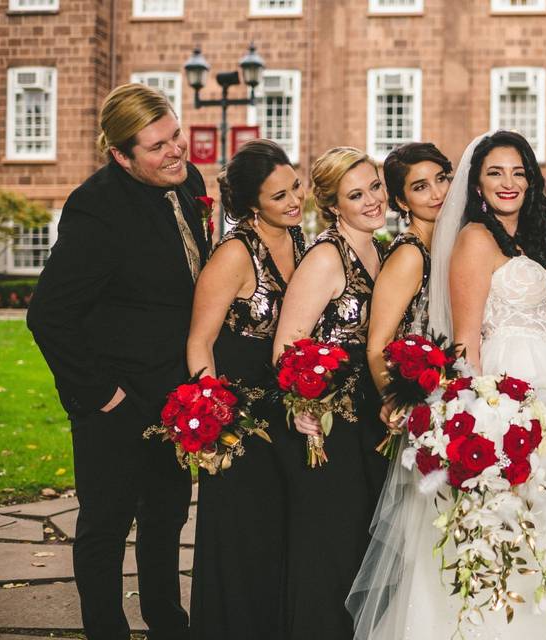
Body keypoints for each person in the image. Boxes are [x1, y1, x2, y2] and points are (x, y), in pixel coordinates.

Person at [347, 131, 546, 639]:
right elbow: (465, 341)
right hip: (508, 401)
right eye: (495, 172)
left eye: (518, 172)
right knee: (502, 537)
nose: (508, 183)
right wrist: (488, 423)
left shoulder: (531, 240)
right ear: (478, 185)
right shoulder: (474, 238)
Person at [27, 83, 206, 640]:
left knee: (167, 518)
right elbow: (48, 314)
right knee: (105, 527)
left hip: (176, 399)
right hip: (115, 401)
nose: (175, 150)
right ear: (121, 156)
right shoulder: (95, 208)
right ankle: (106, 630)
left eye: (176, 134)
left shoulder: (189, 181)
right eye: (157, 147)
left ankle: (167, 622)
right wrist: (104, 396)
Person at [185, 139, 306, 638]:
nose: (295, 200)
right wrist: (216, 421)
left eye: (295, 187)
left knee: (280, 535)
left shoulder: (300, 241)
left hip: (289, 412)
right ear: (253, 205)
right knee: (240, 537)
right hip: (241, 423)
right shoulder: (234, 254)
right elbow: (199, 343)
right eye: (280, 196)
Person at [273, 146, 390, 639]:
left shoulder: (382, 249)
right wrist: (304, 405)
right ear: (333, 205)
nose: (372, 200)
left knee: (367, 541)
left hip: (373, 417)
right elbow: (286, 346)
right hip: (332, 422)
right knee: (332, 545)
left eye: (375, 187)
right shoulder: (325, 257)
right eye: (356, 194)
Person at [366, 142, 452, 418]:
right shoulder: (409, 254)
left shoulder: (446, 247)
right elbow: (378, 344)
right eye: (420, 187)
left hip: (449, 391)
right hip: (420, 401)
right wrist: (397, 404)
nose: (437, 193)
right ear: (402, 202)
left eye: (441, 179)